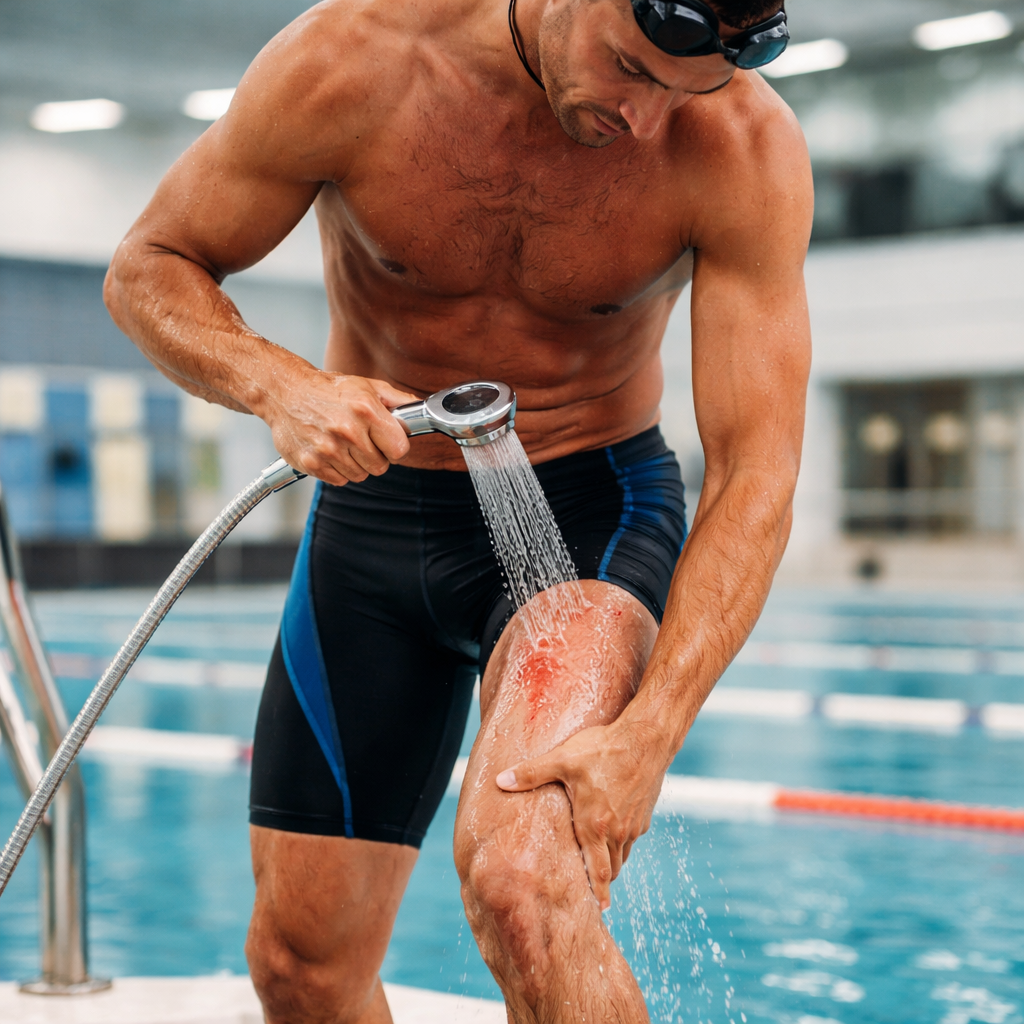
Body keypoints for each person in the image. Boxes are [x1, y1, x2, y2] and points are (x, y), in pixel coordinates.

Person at [104, 0, 812, 1015]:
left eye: (681, 89)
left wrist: (651, 732)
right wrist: (281, 384)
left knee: (525, 885)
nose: (647, 119)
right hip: (371, 520)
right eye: (630, 67)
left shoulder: (739, 143)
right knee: (300, 969)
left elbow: (757, 469)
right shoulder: (355, 59)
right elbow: (147, 267)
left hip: (584, 508)